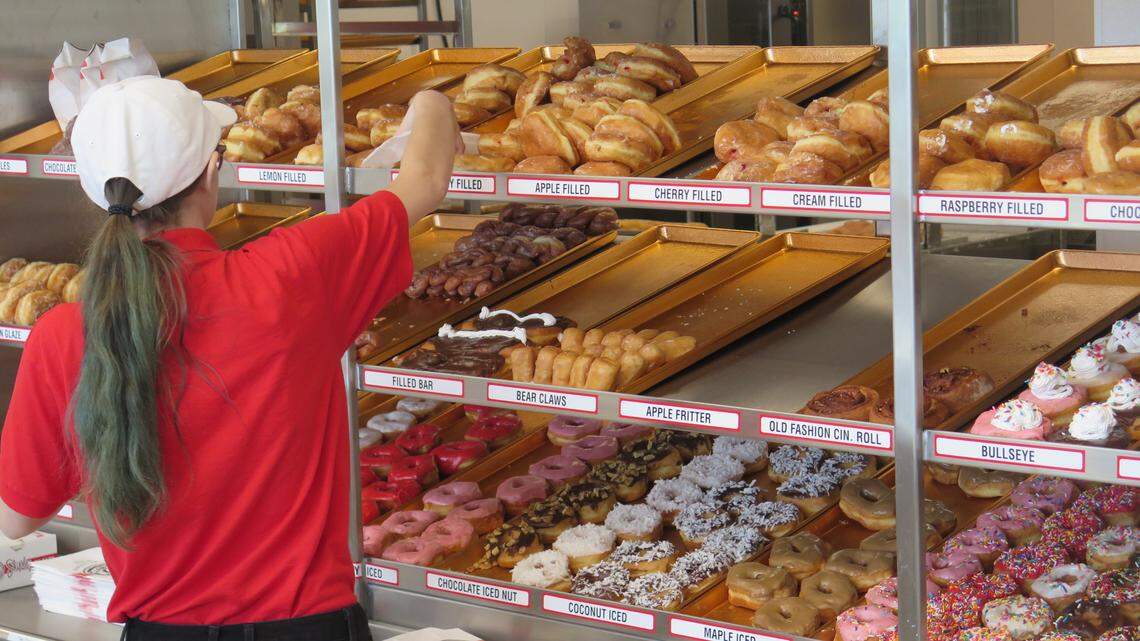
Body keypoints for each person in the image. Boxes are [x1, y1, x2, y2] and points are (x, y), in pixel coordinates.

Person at [0, 76, 459, 639]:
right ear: (212, 174)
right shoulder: (287, 277)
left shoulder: (64, 334)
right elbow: (426, 179)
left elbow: (17, 516)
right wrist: (431, 99)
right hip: (306, 627)